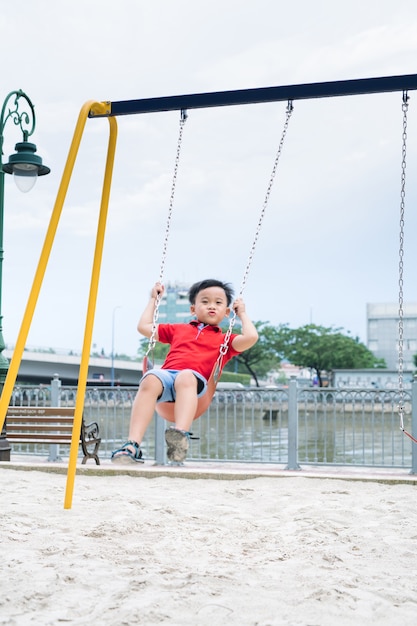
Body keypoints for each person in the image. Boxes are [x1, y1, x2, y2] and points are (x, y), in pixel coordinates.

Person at [111, 278, 258, 464]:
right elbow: (143, 327)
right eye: (204, 302)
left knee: (186, 376)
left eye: (218, 303)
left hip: (195, 386)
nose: (211, 306)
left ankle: (179, 436)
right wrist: (153, 300)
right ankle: (132, 445)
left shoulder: (226, 340)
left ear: (227, 312)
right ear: (192, 309)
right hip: (168, 377)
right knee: (150, 378)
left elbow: (251, 337)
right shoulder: (178, 329)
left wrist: (242, 314)